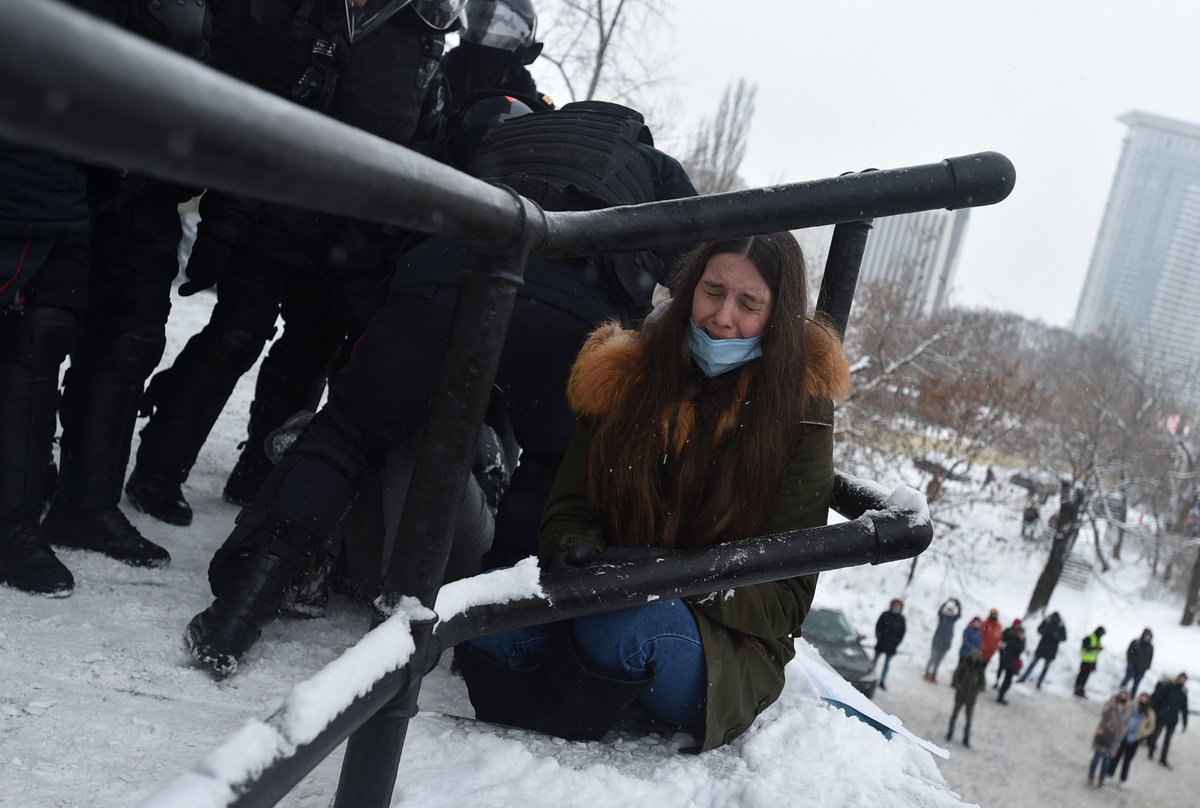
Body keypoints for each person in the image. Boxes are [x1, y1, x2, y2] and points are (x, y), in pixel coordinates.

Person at [182, 98, 699, 677]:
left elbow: (408, 198)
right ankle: (489, 636)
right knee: (554, 465)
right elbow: (700, 259)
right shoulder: (648, 162)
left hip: (444, 278)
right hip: (569, 310)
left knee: (348, 435)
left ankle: (241, 606)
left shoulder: (504, 137)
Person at [455, 232, 850, 749]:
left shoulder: (801, 409)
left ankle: (603, 684)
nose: (722, 317)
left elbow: (786, 599)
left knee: (622, 628)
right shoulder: (628, 370)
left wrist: (674, 576)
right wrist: (577, 550)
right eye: (713, 291)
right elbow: (571, 503)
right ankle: (591, 686)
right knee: (486, 622)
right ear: (689, 289)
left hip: (723, 637)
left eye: (749, 303)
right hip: (602, 590)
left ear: (777, 316)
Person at [126, 0, 450, 523]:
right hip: (279, 205)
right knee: (236, 335)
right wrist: (231, 216)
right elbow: (276, 102)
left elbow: (415, 145)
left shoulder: (426, 41)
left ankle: (260, 468)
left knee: (306, 353)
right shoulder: (325, 17)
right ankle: (160, 468)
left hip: (349, 229)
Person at [1110, 691, 1156, 789]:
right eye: (1141, 697)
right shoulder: (1131, 705)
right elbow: (1121, 711)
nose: (1143, 700)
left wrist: (1142, 734)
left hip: (1135, 739)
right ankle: (1110, 774)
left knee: (1127, 760)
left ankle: (1123, 779)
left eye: (1145, 698)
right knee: (1116, 756)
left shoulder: (1149, 713)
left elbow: (1151, 727)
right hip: (1124, 735)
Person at [1089, 689, 1132, 788]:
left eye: (1126, 695)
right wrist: (1110, 708)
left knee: (1107, 762)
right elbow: (1103, 715)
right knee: (1096, 758)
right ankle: (1091, 777)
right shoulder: (1111, 703)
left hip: (1114, 738)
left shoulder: (1128, 709)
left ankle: (1101, 780)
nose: (1123, 696)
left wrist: (1120, 735)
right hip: (1104, 733)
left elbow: (1125, 724)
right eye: (1122, 693)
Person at [1146, 672, 1189, 768]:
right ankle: (1151, 750)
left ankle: (1163, 758)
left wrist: (1185, 723)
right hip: (1163, 715)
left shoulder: (1183, 693)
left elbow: (1184, 709)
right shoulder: (1169, 687)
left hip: (1173, 719)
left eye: (1184, 679)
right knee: (1156, 734)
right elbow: (1159, 699)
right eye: (1181, 678)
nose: (1181, 680)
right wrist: (1156, 712)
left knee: (1168, 740)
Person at [946, 649, 986, 747]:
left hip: (971, 699)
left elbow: (982, 684)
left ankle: (966, 739)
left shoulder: (979, 669)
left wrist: (975, 691)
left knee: (968, 720)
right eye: (973, 657)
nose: (974, 659)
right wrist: (960, 687)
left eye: (976, 657)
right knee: (954, 716)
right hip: (961, 695)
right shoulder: (964, 666)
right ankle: (950, 734)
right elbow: (956, 678)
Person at [1019, 610, 1066, 688]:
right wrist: (1047, 632)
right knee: (1033, 664)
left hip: (1051, 649)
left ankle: (1039, 682)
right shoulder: (1047, 621)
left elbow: (1064, 637)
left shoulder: (1061, 625)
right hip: (1043, 647)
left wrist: (1056, 635)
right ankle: (1024, 677)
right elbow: (1039, 630)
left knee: (1045, 668)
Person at [924, 597, 961, 683]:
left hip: (945, 644)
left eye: (951, 610)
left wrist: (957, 603)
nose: (949, 611)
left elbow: (959, 614)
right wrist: (946, 602)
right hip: (937, 642)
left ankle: (933, 675)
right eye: (948, 610)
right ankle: (927, 673)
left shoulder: (952, 620)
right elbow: (939, 611)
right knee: (932, 659)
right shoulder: (942, 617)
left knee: (938, 661)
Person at [873, 598, 906, 691]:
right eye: (895, 605)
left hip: (891, 645)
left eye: (898, 606)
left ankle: (882, 681)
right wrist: (879, 636)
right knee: (874, 661)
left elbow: (902, 632)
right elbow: (878, 626)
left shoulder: (901, 619)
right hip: (881, 642)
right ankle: (871, 678)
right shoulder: (885, 615)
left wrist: (896, 642)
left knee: (887, 664)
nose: (897, 607)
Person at [995, 619, 1025, 703]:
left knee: (1008, 679)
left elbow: (1021, 648)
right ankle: (998, 688)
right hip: (1006, 658)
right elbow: (1002, 644)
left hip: (1012, 660)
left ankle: (1001, 695)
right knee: (1003, 674)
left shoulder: (1021, 637)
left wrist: (1021, 640)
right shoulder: (1009, 633)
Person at [1121, 628, 1154, 695]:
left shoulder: (1150, 646)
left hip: (1142, 669)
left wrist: (1147, 666)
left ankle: (1131, 699)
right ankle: (1120, 695)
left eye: (1149, 635)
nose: (1147, 636)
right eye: (1146, 634)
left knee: (1136, 685)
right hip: (1133, 666)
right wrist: (1130, 662)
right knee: (1126, 681)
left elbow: (1150, 657)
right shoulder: (1136, 642)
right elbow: (1129, 653)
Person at [1075, 625, 1106, 698]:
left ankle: (1081, 689)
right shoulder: (1089, 637)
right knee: (1082, 675)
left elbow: (1095, 653)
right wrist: (1096, 648)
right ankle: (1077, 689)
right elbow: (1085, 648)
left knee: (1086, 677)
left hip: (1091, 661)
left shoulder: (1098, 639)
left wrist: (1094, 664)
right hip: (1086, 660)